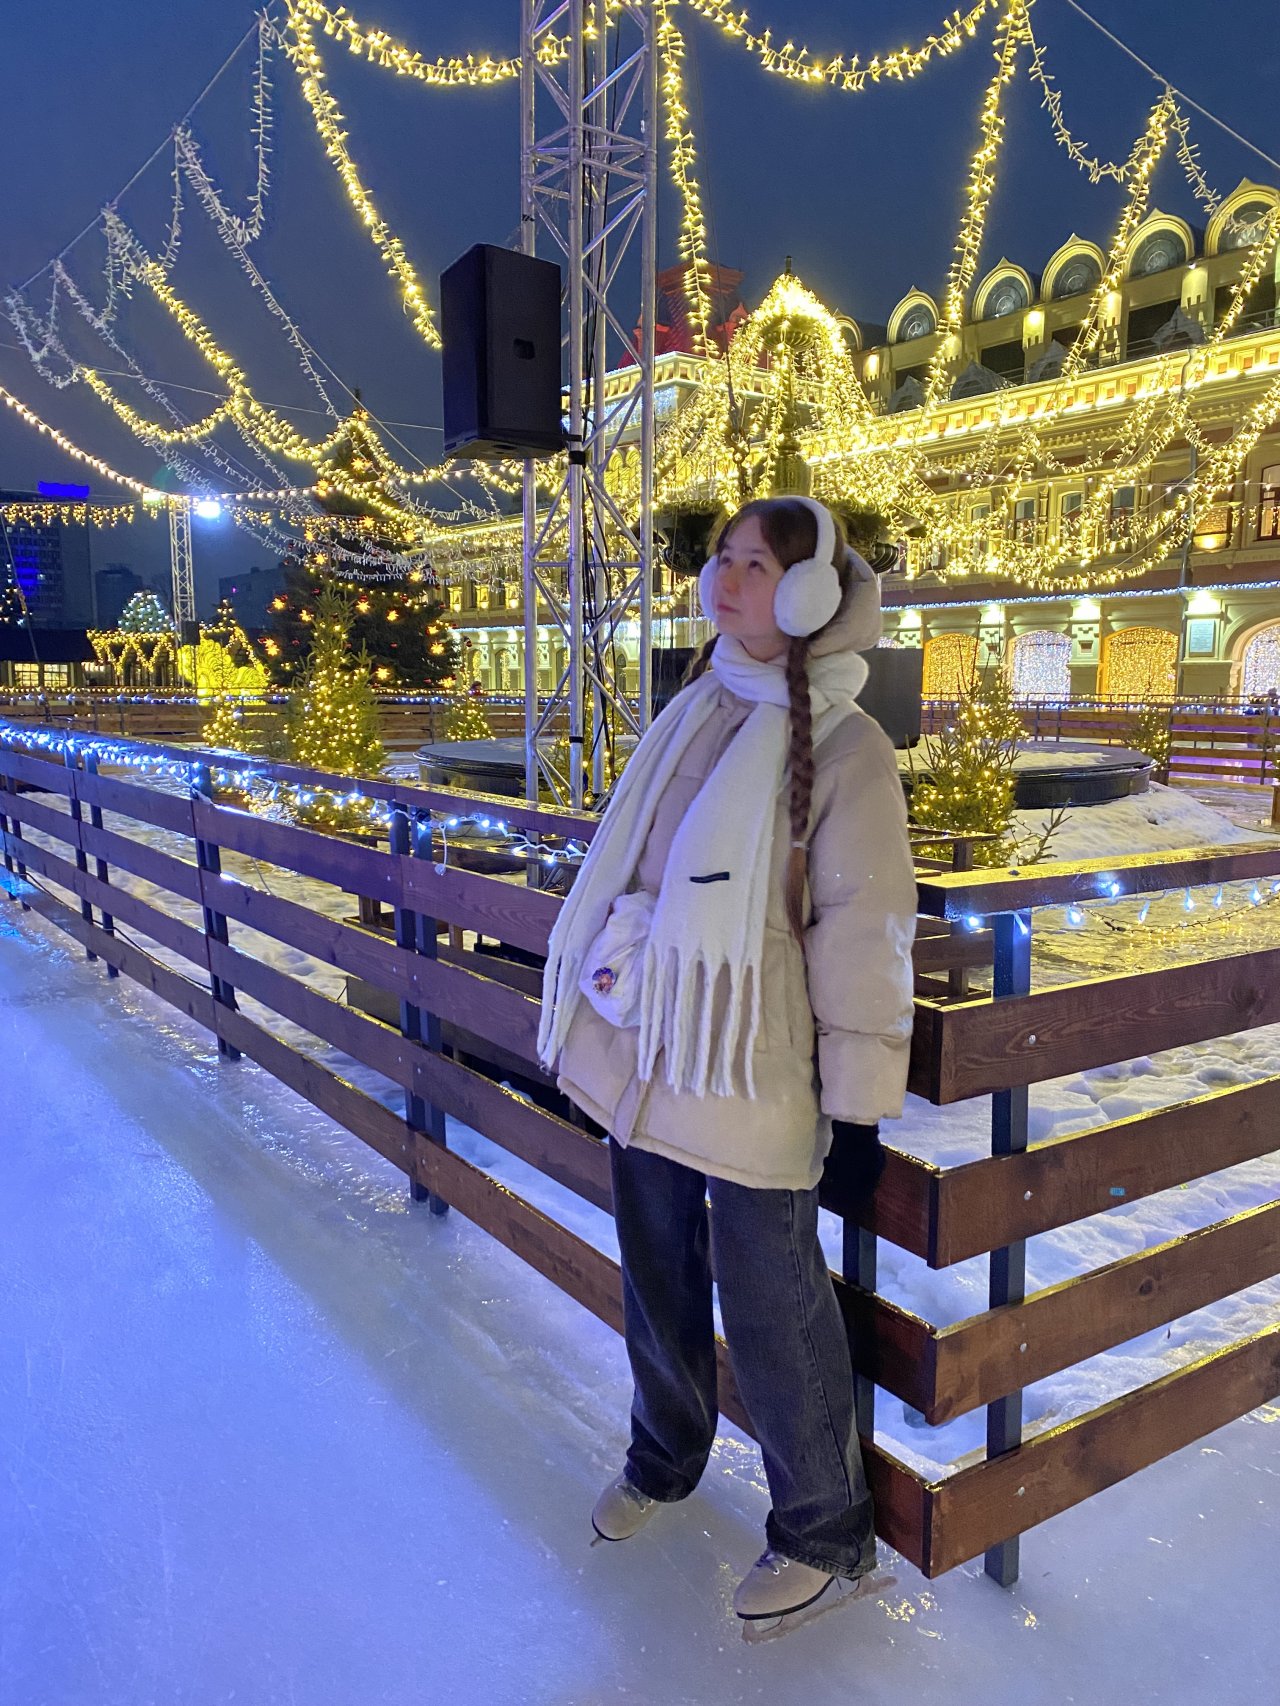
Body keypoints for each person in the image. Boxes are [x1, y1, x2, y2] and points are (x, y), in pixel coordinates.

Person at [537, 496, 917, 1628]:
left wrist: (857, 1109)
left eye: (758, 564)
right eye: (723, 558)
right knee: (653, 1265)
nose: (728, 579)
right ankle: (664, 1454)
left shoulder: (848, 747)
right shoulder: (695, 707)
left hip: (753, 1065)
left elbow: (863, 934)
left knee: (769, 1294)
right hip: (650, 1045)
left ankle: (823, 1529)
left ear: (809, 595)